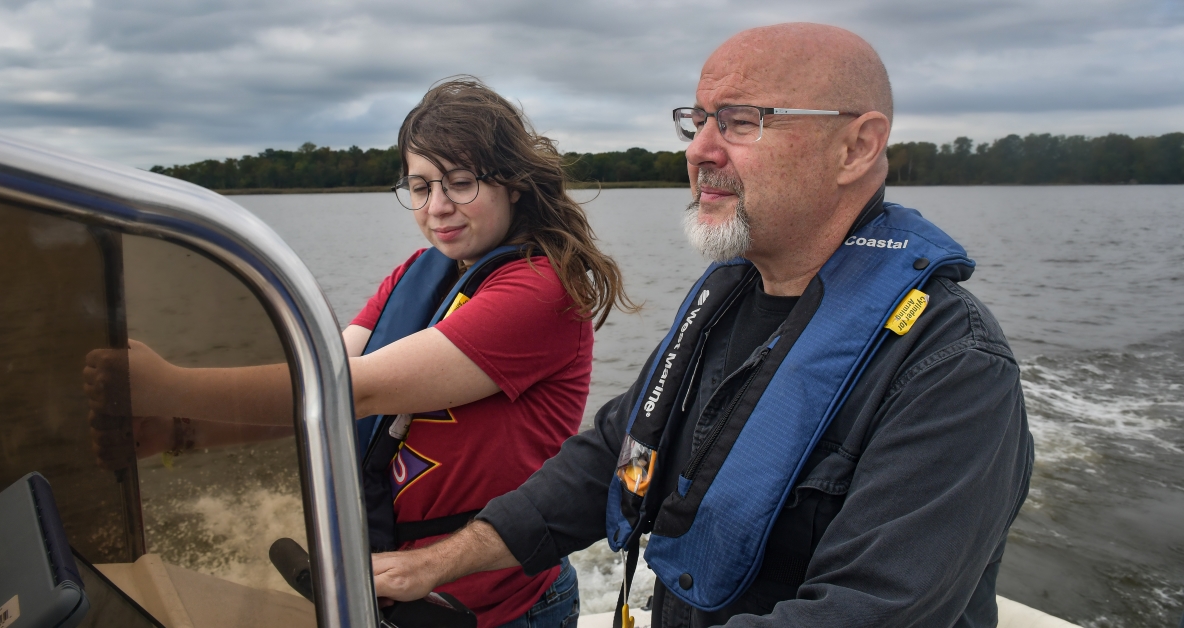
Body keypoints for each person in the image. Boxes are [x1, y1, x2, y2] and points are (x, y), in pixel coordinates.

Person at [370, 23, 1034, 628]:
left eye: (742, 122)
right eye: (697, 122)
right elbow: (613, 458)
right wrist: (435, 563)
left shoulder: (953, 368)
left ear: (856, 147)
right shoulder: (724, 302)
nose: (700, 151)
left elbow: (870, 611)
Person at [84, 77, 637, 628]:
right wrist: (182, 430)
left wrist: (167, 384)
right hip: (404, 597)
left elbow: (353, 388)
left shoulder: (541, 289)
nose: (438, 207)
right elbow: (319, 388)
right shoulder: (413, 278)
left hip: (506, 610)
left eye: (460, 183)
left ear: (513, 185)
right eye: (420, 188)